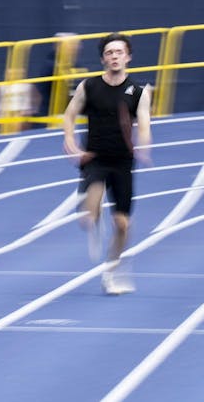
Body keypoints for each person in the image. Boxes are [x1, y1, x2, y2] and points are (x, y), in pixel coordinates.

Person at [63, 32, 151, 295]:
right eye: (110, 53)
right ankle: (92, 211)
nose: (115, 56)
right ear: (103, 59)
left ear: (128, 57)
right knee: (90, 208)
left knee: (123, 224)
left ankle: (111, 272)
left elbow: (144, 123)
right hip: (94, 158)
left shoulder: (138, 92)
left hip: (123, 162)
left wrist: (144, 145)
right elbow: (69, 116)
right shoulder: (88, 86)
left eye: (119, 52)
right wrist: (70, 141)